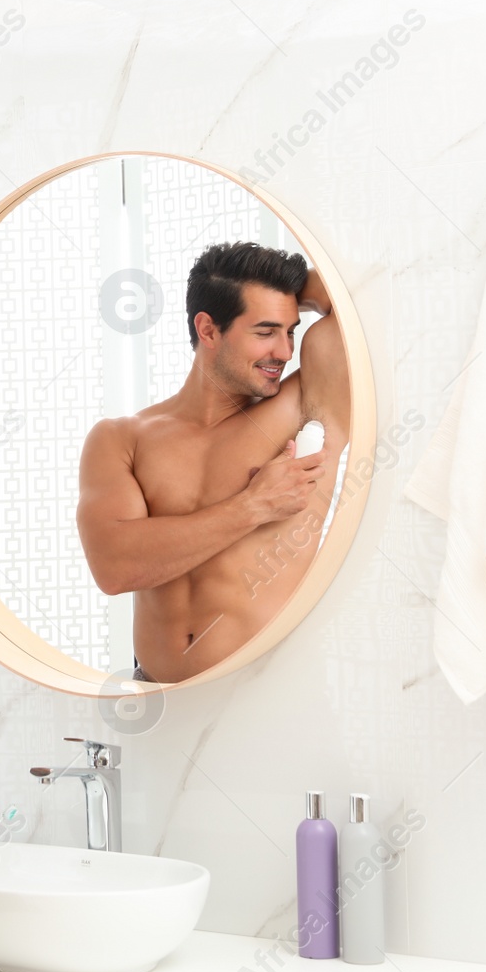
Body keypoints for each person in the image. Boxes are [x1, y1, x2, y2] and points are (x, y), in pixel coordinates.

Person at [76, 241, 348, 683]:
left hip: (267, 694)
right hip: (157, 702)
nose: (283, 351)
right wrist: (254, 506)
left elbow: (355, 315)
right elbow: (114, 567)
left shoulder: (305, 405)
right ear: (208, 330)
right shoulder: (121, 439)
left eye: (291, 331)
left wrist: (298, 287)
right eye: (265, 332)